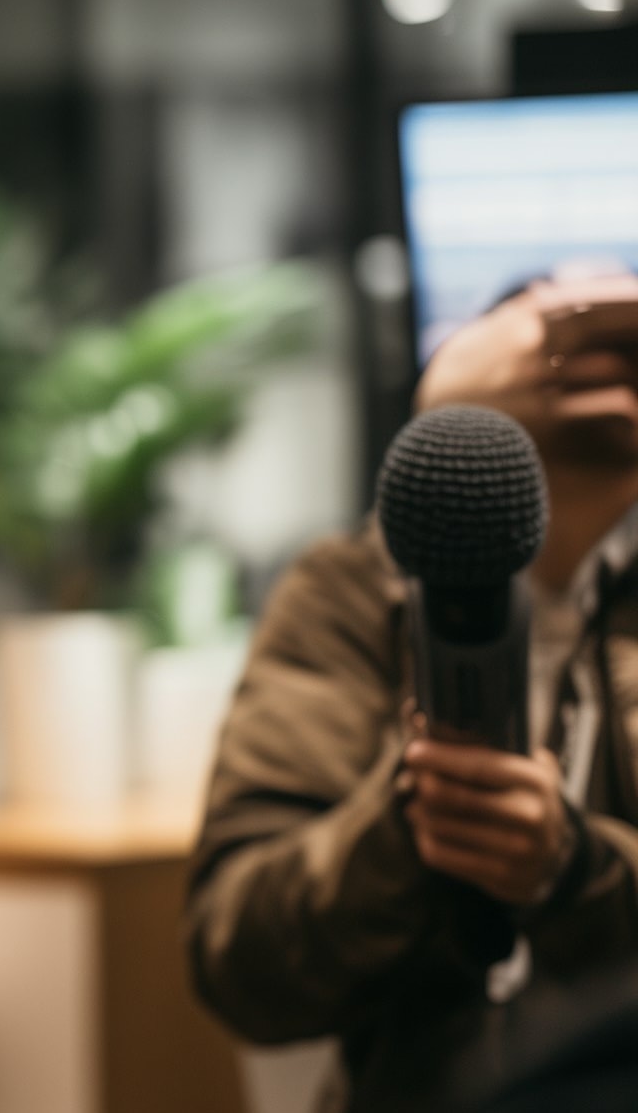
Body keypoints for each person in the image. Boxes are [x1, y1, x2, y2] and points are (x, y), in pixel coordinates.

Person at [188, 275, 638, 1113]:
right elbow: (240, 958)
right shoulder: (347, 593)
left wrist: (576, 870)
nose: (605, 358)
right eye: (555, 317)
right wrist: (407, 827)